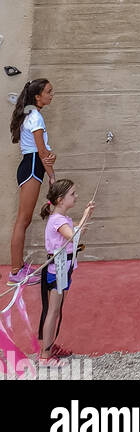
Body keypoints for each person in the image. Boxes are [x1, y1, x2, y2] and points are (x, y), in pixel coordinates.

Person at [38, 179, 94, 364]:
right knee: (53, 311)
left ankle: (50, 344)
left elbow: (75, 235)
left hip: (65, 269)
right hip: (57, 271)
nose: (76, 196)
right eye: (73, 194)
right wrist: (86, 215)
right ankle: (45, 355)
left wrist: (87, 217)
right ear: (60, 200)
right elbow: (73, 237)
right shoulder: (57, 220)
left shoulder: (63, 219)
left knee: (57, 310)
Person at [8, 78, 56, 285]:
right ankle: (15, 272)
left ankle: (19, 266)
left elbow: (43, 150)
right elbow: (41, 150)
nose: (52, 94)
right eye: (49, 91)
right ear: (38, 97)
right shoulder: (35, 116)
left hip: (34, 165)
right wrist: (52, 175)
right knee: (23, 220)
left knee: (24, 220)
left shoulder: (32, 114)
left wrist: (49, 158)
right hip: (32, 167)